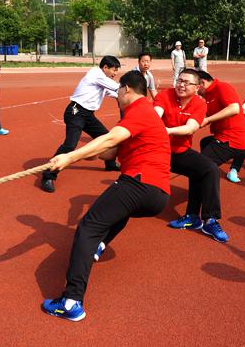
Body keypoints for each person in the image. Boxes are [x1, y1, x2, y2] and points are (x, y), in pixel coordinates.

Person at [41, 70, 171, 322]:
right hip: (156, 195)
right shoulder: (143, 114)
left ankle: (71, 301)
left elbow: (111, 138)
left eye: (118, 91)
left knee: (88, 227)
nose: (116, 96)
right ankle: (99, 245)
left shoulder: (139, 110)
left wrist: (70, 157)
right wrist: (85, 153)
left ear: (127, 89)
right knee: (117, 212)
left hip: (139, 183)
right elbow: (110, 152)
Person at [153, 69, 228, 242]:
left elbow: (191, 128)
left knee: (209, 169)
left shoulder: (200, 104)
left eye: (187, 83)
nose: (181, 85)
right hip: (157, 151)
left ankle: (207, 219)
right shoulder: (165, 95)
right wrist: (158, 129)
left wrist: (167, 131)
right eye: (179, 81)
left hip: (179, 152)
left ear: (197, 87)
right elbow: (156, 115)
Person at [41, 56, 121, 193]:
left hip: (88, 115)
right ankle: (48, 175)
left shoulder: (102, 81)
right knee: (70, 146)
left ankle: (110, 163)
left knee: (108, 139)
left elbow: (116, 93)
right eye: (114, 70)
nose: (116, 73)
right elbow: (117, 87)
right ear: (105, 67)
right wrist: (131, 87)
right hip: (76, 112)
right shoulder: (96, 73)